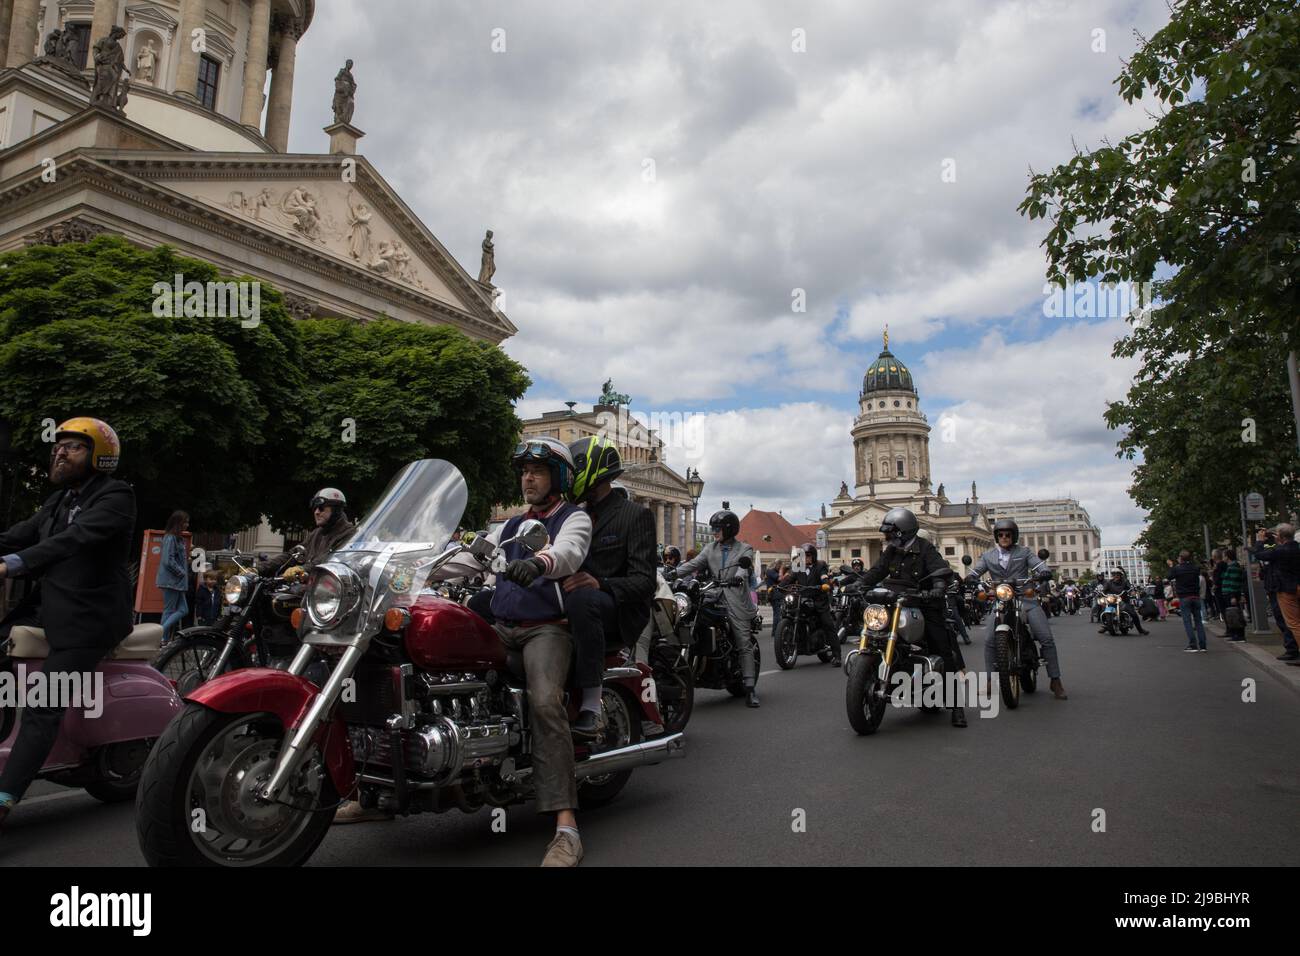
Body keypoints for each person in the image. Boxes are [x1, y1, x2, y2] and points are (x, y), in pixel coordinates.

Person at [0, 418, 135, 828]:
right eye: (58, 446)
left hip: (88, 621)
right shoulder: (58, 501)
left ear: (99, 456)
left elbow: (74, 539)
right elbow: (17, 535)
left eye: (73, 447)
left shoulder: (116, 497)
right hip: (47, 610)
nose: (60, 452)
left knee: (43, 705)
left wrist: (13, 564)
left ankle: (5, 798)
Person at [563, 436, 656, 738]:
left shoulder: (634, 515)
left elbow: (644, 582)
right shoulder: (571, 514)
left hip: (616, 610)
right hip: (574, 602)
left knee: (583, 600)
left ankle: (591, 705)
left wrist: (600, 583)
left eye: (571, 471)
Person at [859, 507, 967, 725]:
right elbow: (878, 571)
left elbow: (940, 570)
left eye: (891, 533)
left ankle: (957, 706)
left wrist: (937, 587)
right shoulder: (891, 550)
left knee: (941, 646)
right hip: (894, 601)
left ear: (903, 532)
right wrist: (859, 583)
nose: (887, 537)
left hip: (923, 602)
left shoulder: (925, 548)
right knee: (874, 630)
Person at [667, 507, 760, 707]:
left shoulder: (745, 549)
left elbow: (744, 569)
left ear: (729, 529)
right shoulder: (710, 548)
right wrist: (671, 574)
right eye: (713, 529)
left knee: (743, 641)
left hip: (735, 597)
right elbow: (692, 565)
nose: (714, 532)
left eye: (717, 529)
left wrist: (736, 578)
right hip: (713, 595)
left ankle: (750, 689)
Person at [967, 518, 1068, 701]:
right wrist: (971, 577)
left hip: (1025, 599)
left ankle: (1055, 680)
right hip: (1001, 600)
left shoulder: (1024, 552)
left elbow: (1038, 564)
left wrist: (1043, 571)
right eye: (1001, 534)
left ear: (1013, 536)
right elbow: (977, 571)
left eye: (1008, 534)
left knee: (1046, 638)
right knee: (990, 639)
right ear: (997, 537)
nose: (1004, 537)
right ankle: (990, 679)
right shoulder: (988, 556)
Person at [259, 487, 356, 575]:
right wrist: (260, 568)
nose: (316, 512)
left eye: (321, 508)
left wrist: (303, 569)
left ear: (336, 511)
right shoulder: (317, 533)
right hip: (307, 587)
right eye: (315, 508)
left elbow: (329, 559)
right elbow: (293, 555)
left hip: (326, 590)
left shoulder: (349, 534)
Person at [1252, 525, 1300, 663]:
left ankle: (1294, 650)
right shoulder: (1295, 547)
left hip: (1285, 589)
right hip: (1295, 586)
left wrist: (1260, 541)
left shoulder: (1280, 550)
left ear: (1281, 536)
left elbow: (1260, 554)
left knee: (1292, 622)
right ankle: (1292, 649)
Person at [795, 542, 841, 667]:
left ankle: (837, 656)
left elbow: (824, 576)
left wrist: (825, 583)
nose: (806, 558)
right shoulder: (798, 566)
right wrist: (777, 587)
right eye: (804, 556)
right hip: (803, 600)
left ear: (813, 556)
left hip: (819, 601)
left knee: (827, 624)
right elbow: (789, 578)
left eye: (808, 556)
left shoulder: (820, 566)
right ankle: (799, 645)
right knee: (794, 616)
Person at [157, 510, 190, 644]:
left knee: (181, 610)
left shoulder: (176, 538)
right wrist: (181, 572)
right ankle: (160, 636)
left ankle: (161, 637)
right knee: (171, 610)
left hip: (176, 582)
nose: (187, 525)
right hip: (172, 581)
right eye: (185, 522)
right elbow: (168, 560)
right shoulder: (171, 538)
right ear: (178, 523)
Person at [1168, 550, 1208, 652]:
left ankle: (1193, 644)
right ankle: (1203, 645)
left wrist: (1172, 565)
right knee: (1198, 621)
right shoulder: (1195, 568)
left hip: (1184, 597)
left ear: (1180, 558)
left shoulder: (1177, 569)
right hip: (1195, 596)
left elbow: (1169, 577)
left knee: (1187, 621)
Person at [1102, 568, 1149, 634]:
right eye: (1114, 574)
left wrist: (1131, 591)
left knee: (1133, 613)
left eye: (1117, 574)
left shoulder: (1125, 581)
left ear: (1120, 575)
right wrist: (1101, 593)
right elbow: (1104, 590)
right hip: (1112, 601)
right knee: (1104, 609)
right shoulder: (1109, 582)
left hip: (1123, 600)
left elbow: (1130, 588)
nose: (1116, 576)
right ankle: (1106, 626)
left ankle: (1140, 630)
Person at [1220, 549, 1246, 641]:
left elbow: (1233, 582)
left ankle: (1238, 634)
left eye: (1224, 556)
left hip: (1231, 594)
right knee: (1232, 614)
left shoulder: (1233, 567)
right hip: (1229, 593)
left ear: (1228, 557)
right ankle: (1235, 634)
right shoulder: (1230, 567)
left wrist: (1232, 596)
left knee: (1234, 614)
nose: (1223, 558)